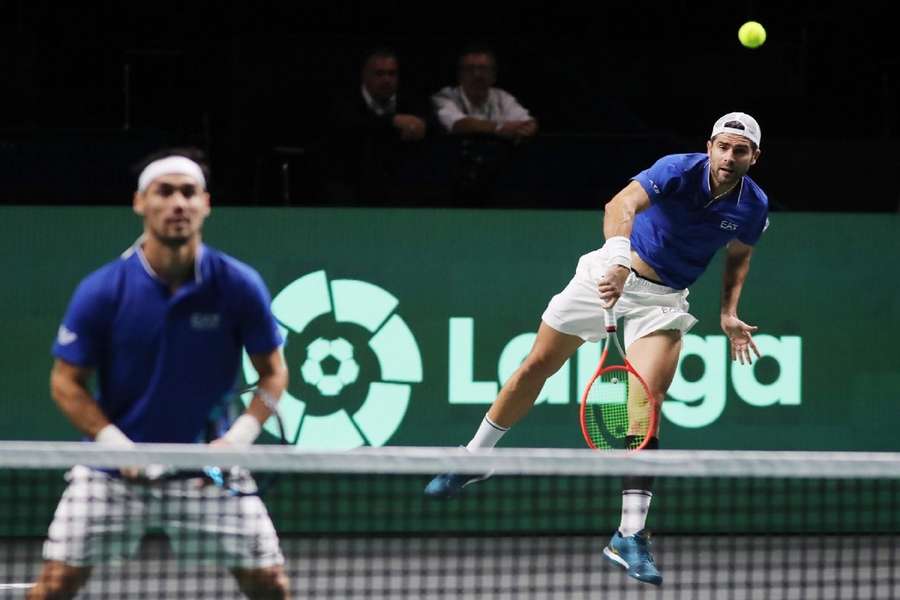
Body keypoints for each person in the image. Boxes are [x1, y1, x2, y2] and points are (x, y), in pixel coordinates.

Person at [425, 112, 769, 587]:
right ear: (709, 146)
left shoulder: (753, 205)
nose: (730, 157)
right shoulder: (675, 169)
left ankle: (629, 534)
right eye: (723, 147)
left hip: (664, 301)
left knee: (645, 403)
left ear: (754, 156)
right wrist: (617, 260)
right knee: (537, 365)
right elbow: (620, 204)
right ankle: (474, 458)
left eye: (741, 151)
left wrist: (728, 311)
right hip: (610, 273)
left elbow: (739, 255)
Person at [28, 148, 291, 599]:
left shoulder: (237, 285)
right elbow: (65, 382)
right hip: (111, 476)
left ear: (205, 204)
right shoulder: (104, 290)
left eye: (189, 193)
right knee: (54, 587)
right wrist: (117, 448)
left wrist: (235, 443)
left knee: (270, 586)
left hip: (207, 475)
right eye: (164, 192)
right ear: (140, 202)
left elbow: (274, 373)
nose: (178, 204)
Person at [431, 44, 539, 206]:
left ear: (493, 75)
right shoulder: (445, 97)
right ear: (460, 76)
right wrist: (500, 128)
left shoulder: (503, 98)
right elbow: (458, 124)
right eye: (470, 69)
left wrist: (528, 129)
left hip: (498, 181)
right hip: (453, 182)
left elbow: (528, 122)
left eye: (483, 69)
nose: (477, 75)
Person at [321, 47, 429, 205]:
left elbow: (427, 123)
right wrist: (392, 121)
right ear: (365, 76)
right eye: (379, 74)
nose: (386, 79)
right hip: (350, 183)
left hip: (400, 186)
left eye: (392, 74)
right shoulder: (345, 101)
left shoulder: (411, 99)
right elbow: (350, 127)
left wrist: (421, 124)